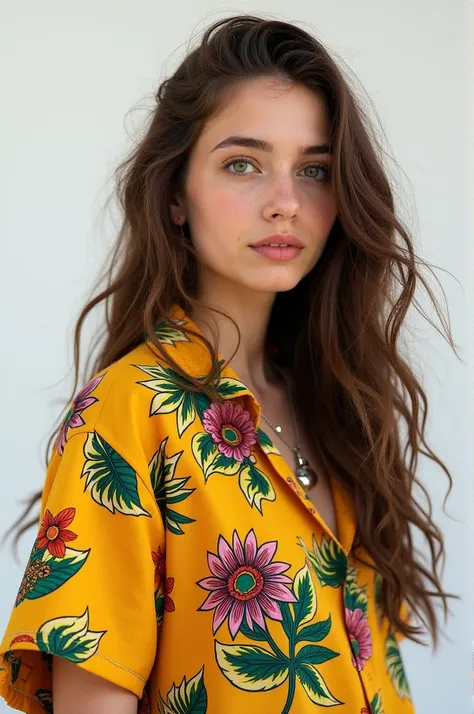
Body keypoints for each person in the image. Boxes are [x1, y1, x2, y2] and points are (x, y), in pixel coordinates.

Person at [0, 14, 456, 714]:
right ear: (175, 194)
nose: (285, 204)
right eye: (242, 163)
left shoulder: (340, 406)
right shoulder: (130, 413)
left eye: (314, 170)